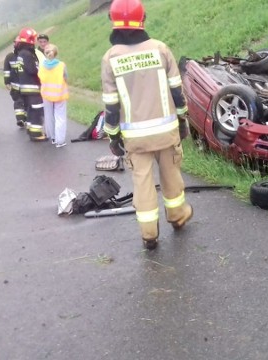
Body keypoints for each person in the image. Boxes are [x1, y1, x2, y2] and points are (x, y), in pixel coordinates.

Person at [101, 0, 193, 250]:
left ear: (114, 21)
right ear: (143, 19)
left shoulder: (110, 58)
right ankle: (178, 217)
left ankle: (149, 234)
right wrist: (183, 119)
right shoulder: (160, 49)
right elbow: (177, 91)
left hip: (135, 138)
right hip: (166, 132)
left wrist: (113, 137)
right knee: (171, 176)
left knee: (142, 183)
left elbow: (111, 105)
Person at [16, 27, 46, 141]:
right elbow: (32, 70)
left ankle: (30, 129)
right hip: (32, 88)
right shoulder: (27, 54)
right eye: (33, 38)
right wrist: (40, 70)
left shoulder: (21, 53)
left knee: (30, 110)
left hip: (26, 88)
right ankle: (36, 134)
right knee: (36, 110)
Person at [38, 43, 68, 147]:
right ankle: (60, 141)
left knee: (49, 115)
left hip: (46, 94)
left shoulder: (41, 65)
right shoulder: (61, 65)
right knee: (60, 117)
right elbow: (66, 77)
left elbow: (40, 77)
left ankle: (53, 137)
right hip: (59, 94)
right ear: (56, 53)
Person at [3, 36, 27, 128]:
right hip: (15, 87)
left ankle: (26, 119)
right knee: (18, 102)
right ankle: (20, 119)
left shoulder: (27, 56)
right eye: (16, 43)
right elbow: (6, 70)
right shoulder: (10, 57)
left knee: (27, 103)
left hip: (26, 86)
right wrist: (7, 82)